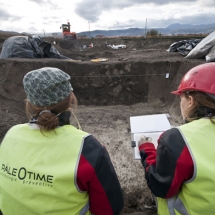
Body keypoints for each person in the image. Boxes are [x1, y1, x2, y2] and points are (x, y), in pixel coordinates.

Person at [0, 67, 124, 215]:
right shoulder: (87, 148)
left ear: (29, 103)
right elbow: (110, 208)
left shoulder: (11, 135)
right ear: (70, 98)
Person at [138, 62, 215, 215]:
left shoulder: (178, 139)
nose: (181, 104)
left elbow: (161, 186)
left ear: (191, 100)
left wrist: (147, 150)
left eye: (181, 99)